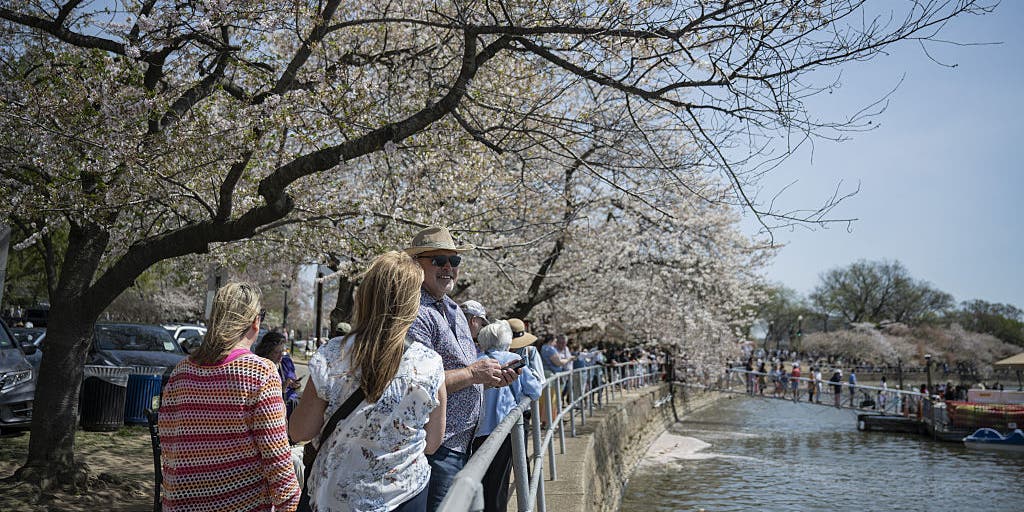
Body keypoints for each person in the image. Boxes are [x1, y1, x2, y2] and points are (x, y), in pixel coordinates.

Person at [289, 251, 447, 512]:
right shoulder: (429, 364)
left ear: (364, 296)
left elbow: (300, 432)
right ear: (412, 303)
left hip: (336, 498)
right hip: (404, 496)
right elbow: (432, 444)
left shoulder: (332, 355)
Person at [402, 226, 519, 512]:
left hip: (463, 442)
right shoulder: (416, 312)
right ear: (417, 265)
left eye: (454, 261)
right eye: (439, 260)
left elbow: (464, 371)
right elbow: (416, 382)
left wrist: (489, 378)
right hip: (436, 446)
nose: (448, 268)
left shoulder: (453, 309)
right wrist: (472, 375)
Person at [159, 282, 300, 512]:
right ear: (255, 321)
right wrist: (292, 504)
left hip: (181, 503)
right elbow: (277, 462)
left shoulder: (180, 372)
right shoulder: (260, 373)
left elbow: (169, 445)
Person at [472, 321, 542, 512]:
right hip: (504, 430)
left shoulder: (475, 361)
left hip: (477, 431)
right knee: (499, 483)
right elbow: (535, 391)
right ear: (507, 340)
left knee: (482, 481)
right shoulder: (513, 359)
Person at [254, 331, 301, 417]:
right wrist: (282, 388)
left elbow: (295, 383)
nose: (280, 356)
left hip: (292, 407)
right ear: (267, 351)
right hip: (273, 411)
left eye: (282, 352)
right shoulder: (261, 366)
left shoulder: (286, 362)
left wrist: (296, 384)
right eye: (276, 352)